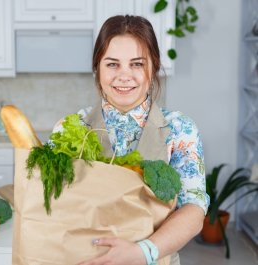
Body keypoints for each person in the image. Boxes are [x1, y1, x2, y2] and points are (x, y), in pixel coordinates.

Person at [53, 15, 209, 265]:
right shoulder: (70, 128)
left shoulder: (180, 129)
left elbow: (193, 210)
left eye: (137, 64)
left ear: (153, 67)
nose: (124, 76)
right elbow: (50, 203)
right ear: (97, 68)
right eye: (112, 64)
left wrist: (143, 252)